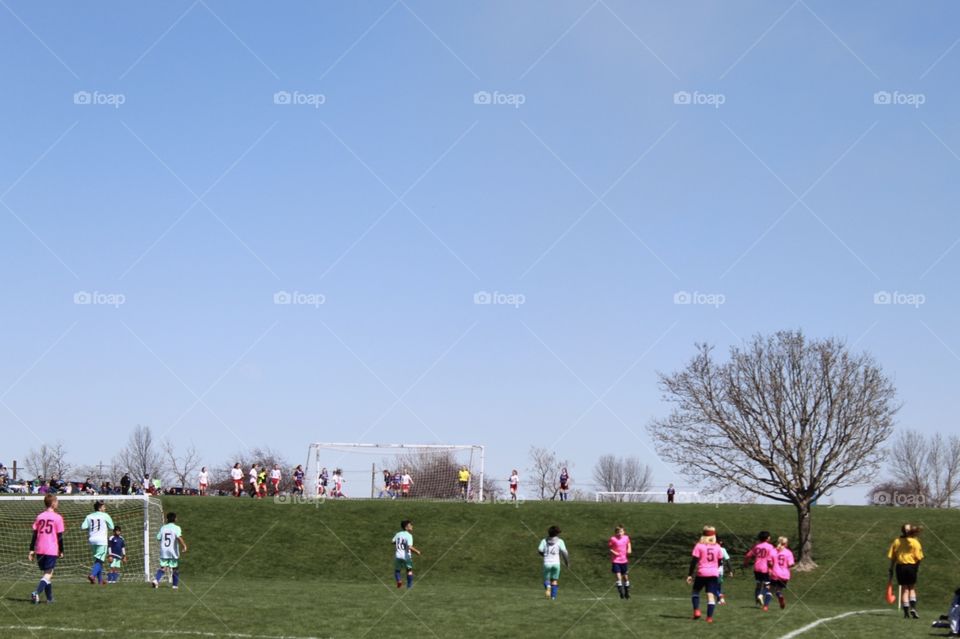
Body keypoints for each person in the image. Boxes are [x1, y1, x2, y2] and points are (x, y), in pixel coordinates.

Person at [28, 493, 64, 604]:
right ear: (53, 503)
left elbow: (35, 534)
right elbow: (59, 536)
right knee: (48, 574)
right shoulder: (58, 517)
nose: (57, 503)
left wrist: (31, 550)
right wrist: (61, 550)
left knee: (46, 574)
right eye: (56, 501)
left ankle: (50, 599)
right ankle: (36, 592)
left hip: (40, 548)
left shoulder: (39, 516)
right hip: (51, 549)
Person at [687, 525, 725, 623]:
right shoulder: (717, 546)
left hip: (702, 573)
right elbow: (720, 561)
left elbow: (694, 561)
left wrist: (690, 574)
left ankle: (696, 611)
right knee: (710, 595)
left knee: (695, 591)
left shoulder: (699, 546)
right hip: (713, 573)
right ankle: (709, 618)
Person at [888, 523, 924, 619]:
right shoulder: (915, 542)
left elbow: (893, 557)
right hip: (911, 566)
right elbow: (919, 557)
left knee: (904, 589)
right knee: (911, 588)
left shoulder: (897, 541)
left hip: (900, 567)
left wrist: (891, 568)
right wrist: (916, 567)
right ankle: (913, 608)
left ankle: (906, 613)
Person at [81, 500, 114, 585]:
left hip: (92, 540)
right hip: (101, 540)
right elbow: (112, 527)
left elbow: (83, 526)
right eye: (103, 507)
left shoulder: (89, 516)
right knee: (99, 560)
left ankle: (100, 581)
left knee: (98, 560)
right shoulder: (105, 515)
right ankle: (92, 575)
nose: (105, 508)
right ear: (99, 508)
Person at [152, 512, 187, 589]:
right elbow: (179, 537)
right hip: (172, 551)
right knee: (175, 568)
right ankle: (175, 585)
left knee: (163, 567)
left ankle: (156, 580)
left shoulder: (163, 528)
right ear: (175, 519)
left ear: (167, 519)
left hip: (164, 551)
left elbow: (158, 537)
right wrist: (184, 546)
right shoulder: (177, 528)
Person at [745, 531, 775, 610]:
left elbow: (748, 555)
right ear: (767, 538)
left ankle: (757, 601)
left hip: (757, 567)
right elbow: (771, 559)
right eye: (769, 536)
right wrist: (772, 567)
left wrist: (746, 563)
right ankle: (763, 599)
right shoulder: (770, 547)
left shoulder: (757, 546)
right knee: (768, 585)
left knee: (758, 584)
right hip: (765, 568)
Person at [538, 525, 569, 600]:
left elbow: (540, 550)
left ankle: (548, 587)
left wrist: (543, 555)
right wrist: (567, 562)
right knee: (554, 580)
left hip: (547, 563)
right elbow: (564, 552)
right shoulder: (560, 541)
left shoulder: (544, 540)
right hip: (556, 564)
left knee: (547, 579)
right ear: (557, 533)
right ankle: (553, 597)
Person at [392, 519, 421, 589]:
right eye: (410, 525)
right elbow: (409, 547)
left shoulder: (398, 534)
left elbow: (392, 541)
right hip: (406, 556)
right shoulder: (409, 536)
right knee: (409, 570)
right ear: (406, 527)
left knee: (397, 570)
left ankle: (399, 580)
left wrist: (398, 542)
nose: (412, 526)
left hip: (398, 555)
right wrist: (417, 551)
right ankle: (409, 586)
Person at [770, 536, 795, 609]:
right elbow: (791, 564)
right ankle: (779, 595)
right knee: (778, 589)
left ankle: (765, 605)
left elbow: (770, 562)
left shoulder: (773, 551)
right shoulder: (788, 552)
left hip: (775, 573)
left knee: (771, 589)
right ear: (786, 543)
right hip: (784, 574)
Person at [608, 525, 632, 599]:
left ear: (624, 532)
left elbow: (628, 543)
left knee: (625, 577)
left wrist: (629, 549)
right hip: (616, 561)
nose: (619, 533)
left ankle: (627, 592)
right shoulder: (613, 539)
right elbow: (610, 548)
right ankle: (621, 591)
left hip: (624, 561)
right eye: (618, 532)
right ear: (615, 533)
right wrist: (614, 552)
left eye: (621, 532)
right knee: (618, 576)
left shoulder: (626, 538)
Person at [716, 539, 732, 605]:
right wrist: (730, 571)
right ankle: (720, 600)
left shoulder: (710, 548)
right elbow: (728, 560)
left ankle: (720, 597)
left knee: (712, 586)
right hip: (720, 571)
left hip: (712, 570)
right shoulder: (723, 550)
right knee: (719, 585)